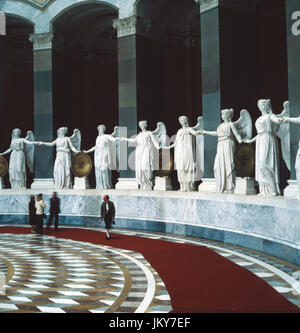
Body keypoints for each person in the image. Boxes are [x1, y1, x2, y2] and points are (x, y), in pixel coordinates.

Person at [201, 109, 242, 193]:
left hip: (228, 143)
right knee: (217, 166)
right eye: (221, 114)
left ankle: (230, 187)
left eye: (223, 114)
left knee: (228, 164)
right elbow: (217, 133)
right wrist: (205, 132)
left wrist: (241, 142)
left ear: (227, 115)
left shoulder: (231, 124)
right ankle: (222, 186)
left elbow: (237, 134)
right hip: (220, 144)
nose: (221, 116)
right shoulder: (221, 125)